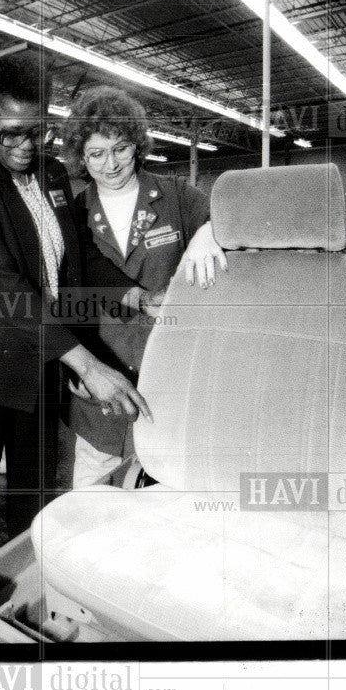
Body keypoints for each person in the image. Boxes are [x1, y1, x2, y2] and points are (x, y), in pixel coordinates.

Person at [0, 52, 154, 643]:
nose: (28, 144)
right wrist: (86, 363)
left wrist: (136, 295)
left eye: (39, 130)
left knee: (33, 492)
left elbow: (73, 263)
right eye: (13, 134)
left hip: (36, 358)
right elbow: (5, 286)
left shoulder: (50, 175)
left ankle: (17, 609)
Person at [61, 86, 227, 489]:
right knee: (91, 491)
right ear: (82, 158)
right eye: (96, 154)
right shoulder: (73, 213)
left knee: (170, 491)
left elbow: (230, 215)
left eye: (120, 149)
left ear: (137, 144)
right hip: (103, 377)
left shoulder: (173, 196)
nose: (110, 164)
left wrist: (208, 230)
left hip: (171, 370)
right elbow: (62, 294)